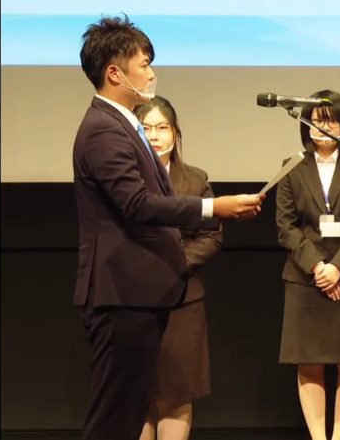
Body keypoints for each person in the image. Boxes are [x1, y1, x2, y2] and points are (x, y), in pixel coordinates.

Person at [72, 14, 261, 440]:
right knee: (114, 418)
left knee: (129, 410)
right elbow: (136, 204)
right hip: (121, 293)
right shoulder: (103, 129)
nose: (151, 73)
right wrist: (212, 208)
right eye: (144, 64)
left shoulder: (122, 123)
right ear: (115, 73)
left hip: (139, 294)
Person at [275, 90, 340, 440]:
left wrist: (339, 268)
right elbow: (286, 226)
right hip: (306, 277)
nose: (324, 127)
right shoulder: (292, 165)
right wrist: (318, 267)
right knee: (309, 360)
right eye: (317, 120)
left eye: (332, 121)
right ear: (306, 124)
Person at [132, 96, 224, 440]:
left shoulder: (195, 180)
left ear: (175, 132)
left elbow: (211, 236)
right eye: (146, 128)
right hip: (133, 299)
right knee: (137, 395)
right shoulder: (125, 180)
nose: (155, 136)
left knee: (177, 393)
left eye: (162, 127)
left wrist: (173, 265)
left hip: (182, 299)